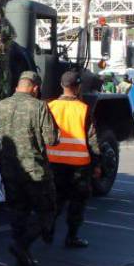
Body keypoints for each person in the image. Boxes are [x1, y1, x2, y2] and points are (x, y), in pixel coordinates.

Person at [0, 71, 59, 266]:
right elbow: (51, 140)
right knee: (47, 212)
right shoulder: (39, 106)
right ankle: (22, 245)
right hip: (35, 172)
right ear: (35, 88)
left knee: (18, 213)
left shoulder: (1, 106)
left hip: (10, 171)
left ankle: (23, 256)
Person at [47, 70, 100, 249]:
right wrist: (97, 164)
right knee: (77, 202)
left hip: (53, 163)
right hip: (79, 165)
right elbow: (92, 139)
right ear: (78, 87)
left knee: (55, 199)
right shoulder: (83, 109)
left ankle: (48, 231)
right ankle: (72, 237)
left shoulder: (50, 107)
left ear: (61, 85)